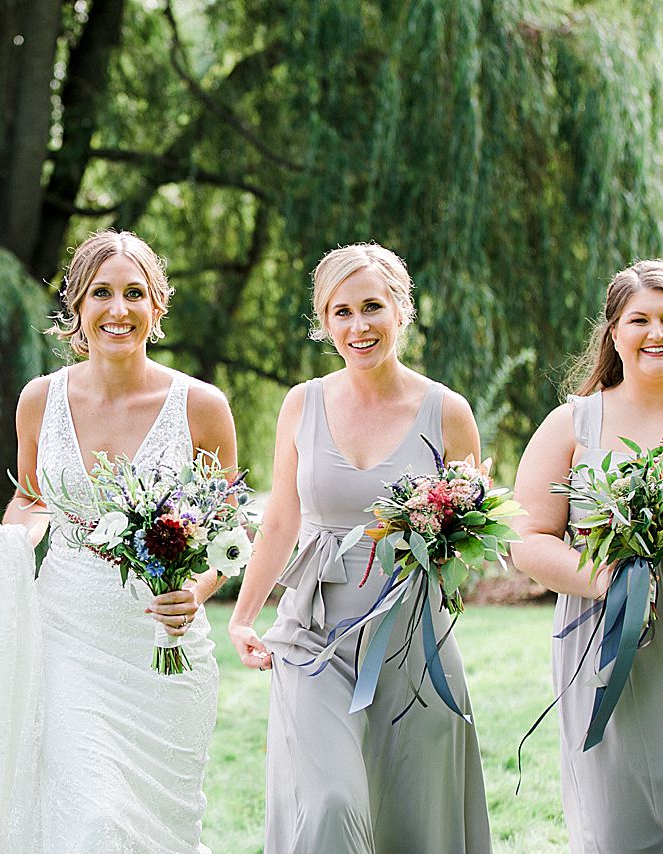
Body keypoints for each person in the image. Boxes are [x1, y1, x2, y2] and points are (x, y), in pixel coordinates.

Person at [0, 229, 238, 853]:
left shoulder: (201, 407)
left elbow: (229, 529)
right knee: (90, 821)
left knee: (162, 831)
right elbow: (32, 497)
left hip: (163, 646)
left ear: (157, 306)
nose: (118, 309)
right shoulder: (41, 400)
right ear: (77, 307)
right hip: (66, 632)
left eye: (134, 293)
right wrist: (13, 542)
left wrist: (196, 591)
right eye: (101, 293)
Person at [228, 243, 491, 853]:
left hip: (410, 639)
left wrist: (441, 535)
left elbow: (471, 543)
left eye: (371, 306)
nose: (357, 326)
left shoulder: (447, 412)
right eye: (339, 312)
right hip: (312, 637)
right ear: (324, 323)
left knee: (413, 822)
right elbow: (280, 522)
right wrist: (244, 618)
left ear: (402, 310)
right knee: (330, 806)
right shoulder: (302, 403)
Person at [511, 259, 663, 851]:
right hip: (613, 667)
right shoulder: (572, 424)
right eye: (639, 318)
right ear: (613, 333)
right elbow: (526, 540)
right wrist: (608, 578)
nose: (656, 332)